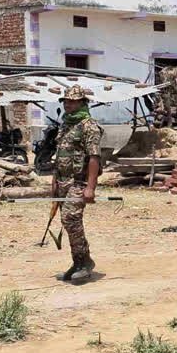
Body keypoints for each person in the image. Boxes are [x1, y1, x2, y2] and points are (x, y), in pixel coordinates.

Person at [53, 85, 103, 282]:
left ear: (82, 103)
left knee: (71, 218)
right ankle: (78, 262)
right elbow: (59, 155)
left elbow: (94, 157)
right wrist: (54, 182)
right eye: (65, 101)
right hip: (63, 181)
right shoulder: (66, 124)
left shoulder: (89, 126)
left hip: (79, 181)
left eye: (72, 101)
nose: (68, 104)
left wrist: (90, 187)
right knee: (67, 221)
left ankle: (84, 262)